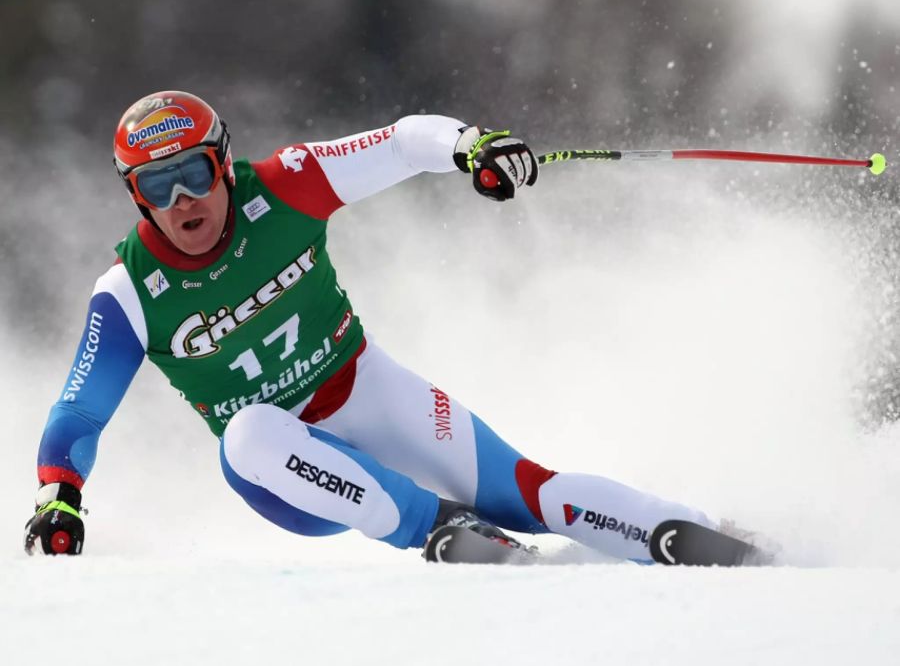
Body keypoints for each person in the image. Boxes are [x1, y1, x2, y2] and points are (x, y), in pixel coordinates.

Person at [24, 90, 713, 562]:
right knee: (247, 432)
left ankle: (697, 534)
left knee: (528, 492)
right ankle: (435, 528)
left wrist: (470, 146)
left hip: (366, 389)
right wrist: (61, 498)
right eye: (156, 187)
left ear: (224, 163)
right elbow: (79, 411)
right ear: (134, 195)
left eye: (194, 174)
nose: (182, 202)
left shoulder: (288, 184)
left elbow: (404, 142)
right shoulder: (130, 292)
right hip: (286, 471)